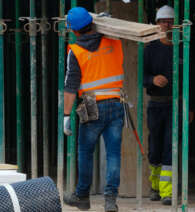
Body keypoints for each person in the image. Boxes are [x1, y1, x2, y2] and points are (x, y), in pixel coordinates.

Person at [63, 7, 125, 212]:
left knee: (85, 152)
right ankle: (109, 200)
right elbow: (113, 31)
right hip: (116, 102)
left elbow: (71, 86)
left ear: (75, 30)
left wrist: (66, 115)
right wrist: (109, 23)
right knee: (113, 154)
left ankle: (82, 196)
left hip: (90, 104)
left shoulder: (76, 51)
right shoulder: (114, 41)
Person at [143, 5, 194, 205]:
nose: (167, 24)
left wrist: (191, 107)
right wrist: (153, 80)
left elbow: (192, 80)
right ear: (157, 24)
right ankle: (154, 187)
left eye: (170, 21)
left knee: (170, 148)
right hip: (156, 105)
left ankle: (167, 192)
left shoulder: (183, 47)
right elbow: (143, 76)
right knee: (154, 147)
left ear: (177, 25)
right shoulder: (151, 48)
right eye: (163, 21)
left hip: (176, 105)